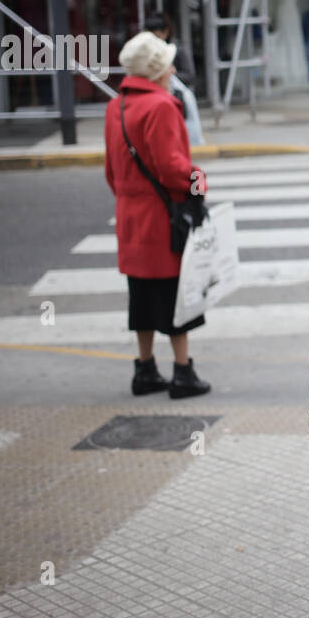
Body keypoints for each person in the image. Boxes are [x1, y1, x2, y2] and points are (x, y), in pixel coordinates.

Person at [104, 31, 212, 399]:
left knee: (141, 297)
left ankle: (145, 369)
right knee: (174, 297)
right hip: (162, 222)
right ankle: (182, 372)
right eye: (167, 64)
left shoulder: (115, 106)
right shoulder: (162, 106)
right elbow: (172, 169)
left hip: (131, 220)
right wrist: (199, 180)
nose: (173, 69)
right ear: (157, 71)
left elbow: (110, 172)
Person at [143, 13, 204, 145]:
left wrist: (169, 74)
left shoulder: (178, 50)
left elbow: (190, 76)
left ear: (166, 32)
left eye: (157, 36)